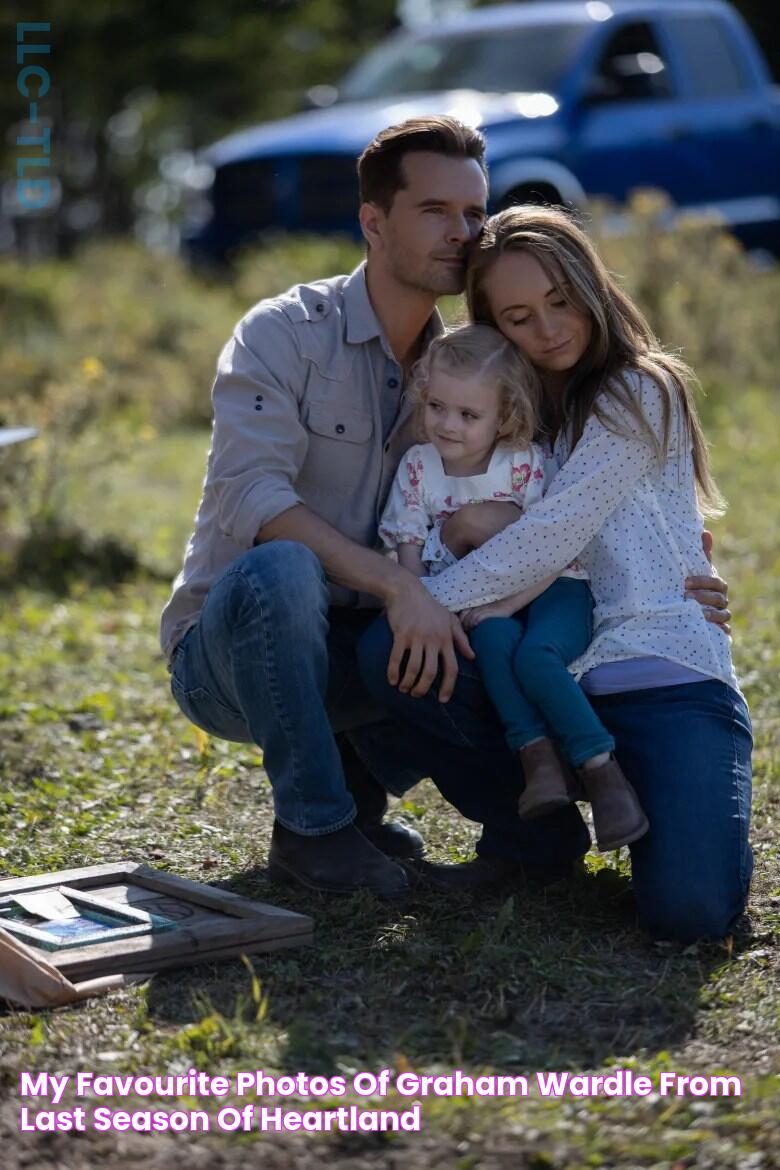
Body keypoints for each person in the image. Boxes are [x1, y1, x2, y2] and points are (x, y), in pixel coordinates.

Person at [159, 114, 728, 909]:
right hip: (241, 651)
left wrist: (687, 569)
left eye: (473, 213)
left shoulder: (473, 370)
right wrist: (403, 589)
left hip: (372, 644)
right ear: (373, 220)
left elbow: (579, 502)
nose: (462, 233)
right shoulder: (283, 332)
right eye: (435, 211)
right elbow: (254, 499)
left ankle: (521, 834)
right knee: (287, 568)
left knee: (477, 641)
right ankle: (315, 829)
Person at [357, 205, 751, 942]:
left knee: (690, 917)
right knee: (391, 652)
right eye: (518, 316)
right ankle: (533, 840)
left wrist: (419, 599)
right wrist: (413, 589)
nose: (549, 329)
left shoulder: (640, 390)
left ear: (590, 286)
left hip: (660, 675)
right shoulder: (502, 414)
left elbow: (553, 532)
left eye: (560, 300)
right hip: (549, 667)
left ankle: (662, 800)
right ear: (494, 330)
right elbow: (437, 496)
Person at [378, 324, 648, 849]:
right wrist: (420, 608)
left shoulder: (523, 464)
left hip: (554, 588)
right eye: (436, 406)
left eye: (468, 415)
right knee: (497, 643)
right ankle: (538, 762)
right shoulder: (418, 469)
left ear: (504, 416)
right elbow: (408, 552)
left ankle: (602, 773)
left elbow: (552, 545)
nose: (447, 425)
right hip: (480, 602)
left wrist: (507, 600)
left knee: (536, 656)